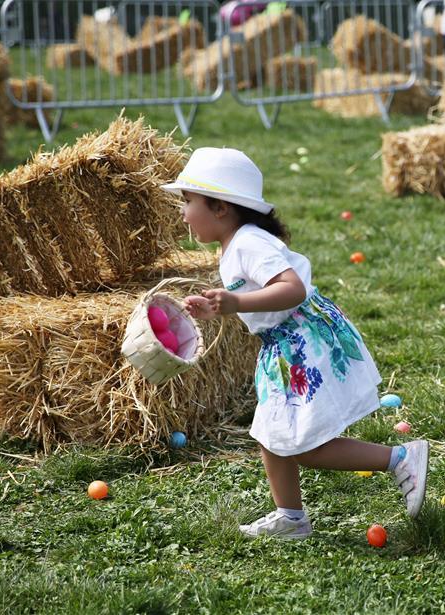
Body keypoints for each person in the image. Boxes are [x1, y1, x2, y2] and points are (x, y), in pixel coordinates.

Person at [162, 148, 429, 540]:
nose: (183, 214)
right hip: (283, 343)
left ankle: (400, 458)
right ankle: (290, 517)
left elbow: (292, 288)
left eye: (188, 201)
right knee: (271, 434)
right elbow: (260, 296)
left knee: (301, 446)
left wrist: (235, 302)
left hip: (302, 340)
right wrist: (218, 307)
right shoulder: (235, 244)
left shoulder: (249, 243)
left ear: (220, 207)